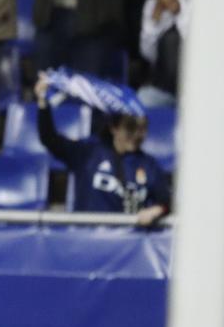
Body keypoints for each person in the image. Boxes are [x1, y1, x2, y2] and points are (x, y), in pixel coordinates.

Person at [34, 77, 170, 223]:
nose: (137, 134)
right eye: (130, 127)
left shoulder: (149, 165)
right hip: (87, 238)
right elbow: (49, 139)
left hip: (128, 242)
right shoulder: (88, 152)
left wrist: (156, 210)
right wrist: (42, 102)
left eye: (142, 129)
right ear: (114, 128)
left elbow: (165, 202)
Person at [138, 0, 184, 107]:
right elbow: (148, 53)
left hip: (196, 88)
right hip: (162, 89)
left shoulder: (203, 2)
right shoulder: (153, 3)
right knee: (142, 101)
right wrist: (156, 18)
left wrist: (179, 12)